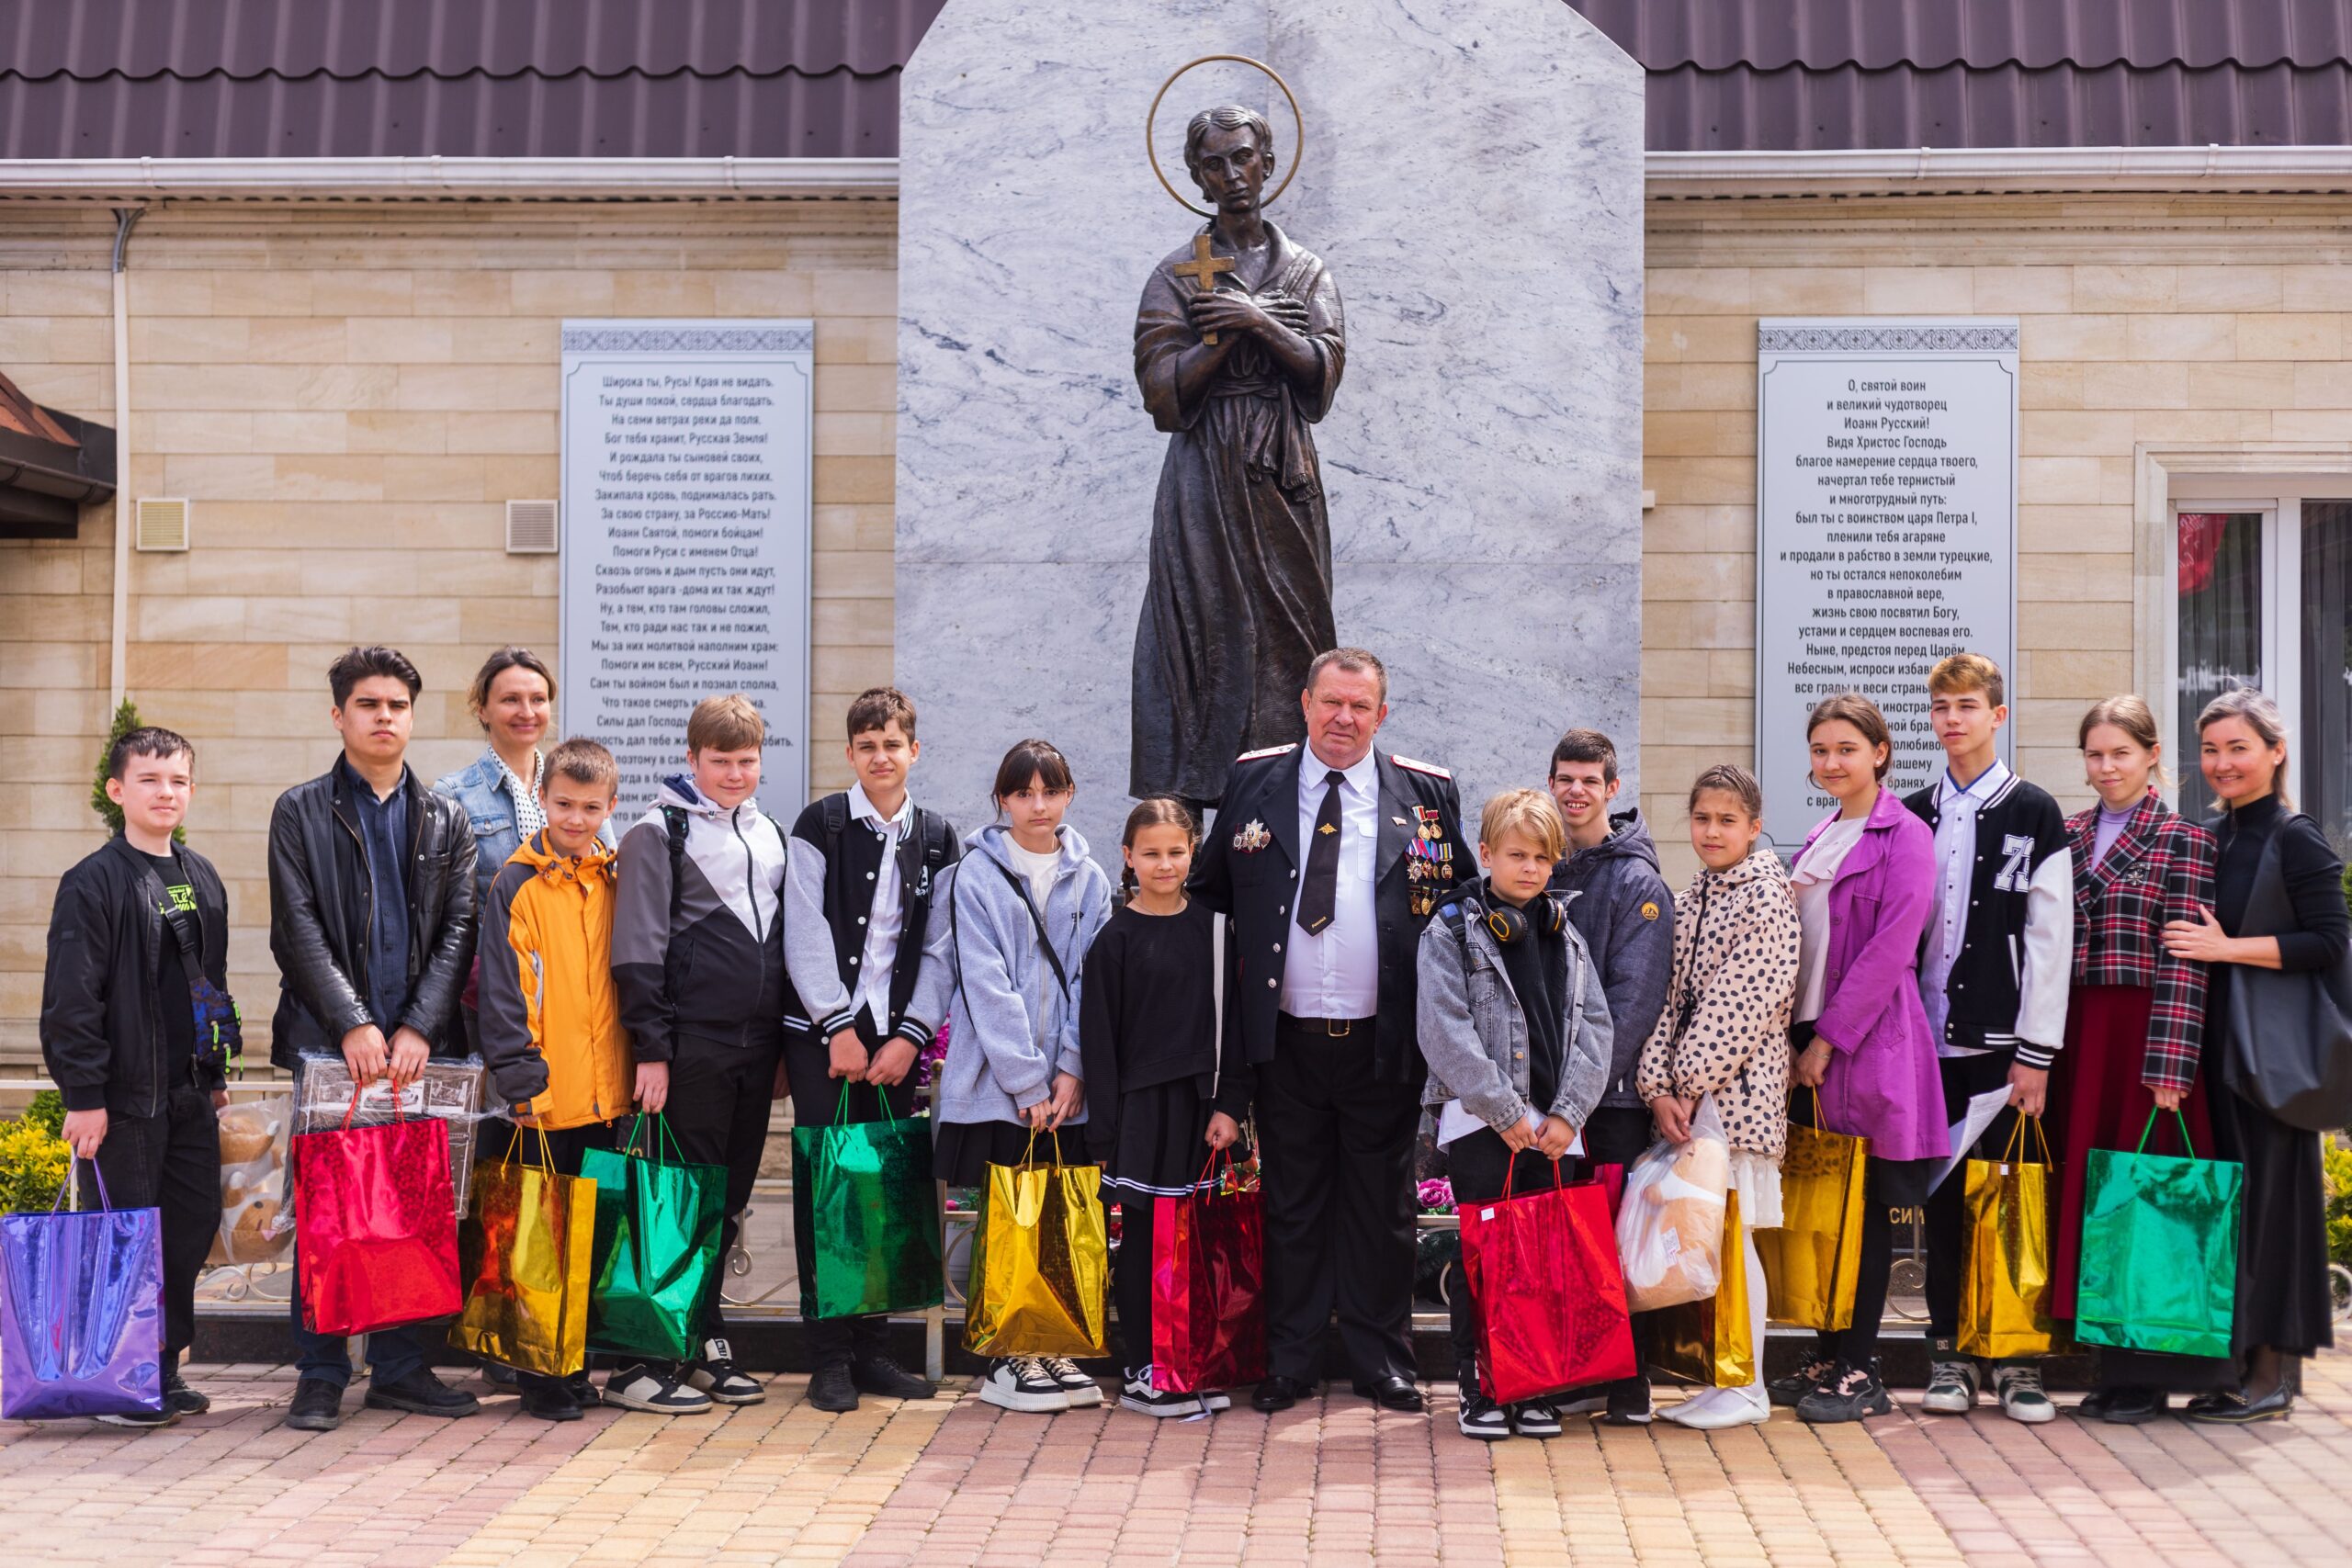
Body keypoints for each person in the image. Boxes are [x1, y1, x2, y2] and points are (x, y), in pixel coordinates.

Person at [1189, 646, 1472, 1416]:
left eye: (1361, 706)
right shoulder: (1255, 781)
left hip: (1385, 1041)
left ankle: (1384, 1362)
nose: (1344, 719)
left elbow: (1461, 905)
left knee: (1384, 1208)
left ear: (1383, 714)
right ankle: (1292, 1359)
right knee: (1294, 1204)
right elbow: (1212, 891)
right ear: (1306, 705)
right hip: (1285, 1042)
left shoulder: (1424, 793)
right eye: (1331, 703)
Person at [267, 646, 480, 1432]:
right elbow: (297, 927)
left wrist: (419, 1024)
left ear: (412, 716)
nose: (383, 716)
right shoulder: (300, 811)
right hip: (333, 1046)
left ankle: (399, 1366)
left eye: (396, 704)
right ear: (339, 716)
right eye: (368, 704)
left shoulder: (445, 816)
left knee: (410, 1207)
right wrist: (353, 1021)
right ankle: (320, 1371)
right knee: (330, 1207)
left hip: (420, 1047)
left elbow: (461, 926)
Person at [2160, 686, 2347, 1423]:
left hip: (2273, 1062)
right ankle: (2236, 1367)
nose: (2221, 763)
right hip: (2218, 1052)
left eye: (2238, 747)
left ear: (2275, 752)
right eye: (2210, 749)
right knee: (2234, 1213)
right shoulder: (2212, 833)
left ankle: (2271, 1377)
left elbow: (2330, 942)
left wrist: (2224, 947)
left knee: (2273, 1212)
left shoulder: (2294, 836)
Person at [40, 727, 231, 1428]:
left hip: (186, 1098)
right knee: (124, 1238)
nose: (166, 792)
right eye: (149, 779)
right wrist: (83, 1096)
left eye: (178, 779)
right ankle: (120, 1379)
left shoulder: (202, 876)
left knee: (185, 1232)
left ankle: (162, 1365)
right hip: (122, 1102)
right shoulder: (93, 882)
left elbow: (211, 986)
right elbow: (70, 998)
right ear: (118, 790)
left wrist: (215, 1071)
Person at [1903, 653, 2073, 1425]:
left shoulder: (2035, 811)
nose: (1953, 719)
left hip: (2003, 1046)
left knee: (2007, 1199)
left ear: (1997, 715)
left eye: (1967, 705)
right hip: (1924, 1045)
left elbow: (2049, 938)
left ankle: (2016, 1358)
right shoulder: (1912, 811)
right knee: (1939, 1207)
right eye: (1941, 707)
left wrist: (2035, 1053)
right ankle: (1949, 1353)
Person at [1767, 692, 1943, 1425]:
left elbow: (1890, 950)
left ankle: (1861, 1364)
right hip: (1805, 1037)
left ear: (1880, 752)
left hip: (1864, 1043)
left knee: (1867, 1209)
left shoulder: (1905, 836)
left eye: (1846, 747)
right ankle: (1828, 1351)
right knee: (1825, 1203)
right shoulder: (1819, 835)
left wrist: (1828, 1042)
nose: (1831, 761)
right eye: (1820, 749)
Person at [1416, 788, 1612, 1441]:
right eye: (1516, 854)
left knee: (1543, 1260)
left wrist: (1568, 1112)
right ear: (1487, 853)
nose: (1529, 868)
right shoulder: (1451, 928)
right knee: (1486, 1259)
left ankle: (1534, 1381)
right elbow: (1445, 1029)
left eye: (1542, 857)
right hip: (1483, 1123)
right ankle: (1481, 1383)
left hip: (1555, 1127)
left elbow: (1594, 1027)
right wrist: (1502, 1108)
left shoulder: (1567, 933)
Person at [780, 687, 956, 1413]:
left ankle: (877, 1348)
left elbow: (944, 944)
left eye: (894, 744)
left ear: (914, 751)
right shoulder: (820, 823)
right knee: (828, 1191)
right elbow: (803, 928)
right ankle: (828, 1356)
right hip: (827, 1039)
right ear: (850, 753)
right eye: (867, 745)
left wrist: (912, 1034)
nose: (881, 756)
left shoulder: (941, 835)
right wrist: (836, 1025)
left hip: (895, 1042)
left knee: (886, 1193)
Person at [927, 738, 1115, 1414]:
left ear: (1068, 795)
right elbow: (984, 982)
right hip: (1002, 1086)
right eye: (1023, 792)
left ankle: (1052, 1341)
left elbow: (1093, 979)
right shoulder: (975, 875)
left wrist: (1071, 1069)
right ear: (1002, 800)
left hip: (1069, 1089)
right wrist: (1028, 1080)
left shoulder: (1090, 878)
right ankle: (1008, 1355)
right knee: (1008, 1215)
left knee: (1061, 1215)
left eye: (1050, 790)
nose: (1038, 805)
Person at [611, 694, 787, 1413]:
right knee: (673, 1201)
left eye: (746, 760)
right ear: (691, 759)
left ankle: (704, 1337)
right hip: (689, 1050)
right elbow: (637, 951)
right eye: (720, 761)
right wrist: (652, 1049)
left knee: (726, 1201)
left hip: (755, 1048)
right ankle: (640, 1359)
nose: (735, 773)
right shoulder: (659, 833)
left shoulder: (769, 831)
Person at [2052, 696, 2224, 1423]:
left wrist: (2171, 1067)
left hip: (2145, 1034)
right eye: (2095, 754)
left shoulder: (2185, 839)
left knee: (2146, 1195)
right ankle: (2106, 1360)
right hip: (2078, 1033)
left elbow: (2185, 962)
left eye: (2120, 752)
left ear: (2153, 755)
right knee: (2094, 1196)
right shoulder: (2066, 834)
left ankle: (2148, 1370)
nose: (2106, 767)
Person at [475, 737, 641, 1423]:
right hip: (545, 1094)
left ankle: (572, 1363)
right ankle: (536, 1370)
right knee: (537, 1240)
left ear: (611, 805)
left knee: (590, 1239)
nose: (576, 818)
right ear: (541, 798)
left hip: (607, 1093)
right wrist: (522, 1081)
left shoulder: (616, 875)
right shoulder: (516, 882)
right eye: (564, 803)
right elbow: (505, 992)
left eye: (591, 806)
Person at [1638, 764, 1801, 1430]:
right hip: (1687, 1097)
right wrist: (1656, 1086)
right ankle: (1722, 1374)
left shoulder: (1767, 897)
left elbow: (1743, 1002)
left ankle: (1749, 1382)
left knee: (1734, 1237)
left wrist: (1683, 1081)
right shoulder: (1691, 897)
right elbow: (1666, 999)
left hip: (1736, 1097)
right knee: (1704, 1238)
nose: (1712, 830)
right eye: (1702, 818)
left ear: (1755, 827)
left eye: (1727, 820)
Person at [1080, 797, 1254, 1417]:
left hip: (1200, 1110)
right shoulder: (1114, 939)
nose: (1163, 863)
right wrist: (1106, 1133)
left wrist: (1230, 1105)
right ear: (1127, 857)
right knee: (1147, 1240)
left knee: (1192, 1240)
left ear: (1193, 854)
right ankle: (1142, 1368)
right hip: (1138, 1115)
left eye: (1175, 852)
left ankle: (1188, 1359)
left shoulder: (1214, 929)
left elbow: (1234, 1028)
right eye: (1150, 852)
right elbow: (1098, 1043)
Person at [1544, 727, 1675, 1424]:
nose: (1575, 790)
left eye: (1589, 779)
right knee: (1566, 1243)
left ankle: (1630, 1383)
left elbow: (1635, 999)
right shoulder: (1539, 865)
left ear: (1612, 788)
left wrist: (1579, 1090)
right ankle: (1576, 1371)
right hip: (1549, 1102)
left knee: (1616, 1246)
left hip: (1609, 1102)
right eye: (1564, 777)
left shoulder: (1636, 881)